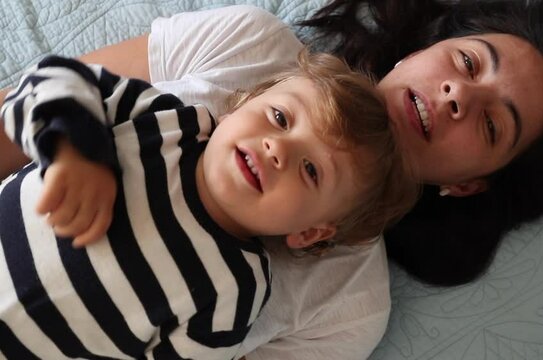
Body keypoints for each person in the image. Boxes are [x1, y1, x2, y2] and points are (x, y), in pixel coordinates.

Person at [1, 0, 543, 359]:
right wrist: (73, 151)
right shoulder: (244, 53)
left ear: (470, 184)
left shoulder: (346, 313)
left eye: (493, 124)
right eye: (468, 63)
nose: (454, 96)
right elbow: (33, 101)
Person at [0, 51, 415, 359]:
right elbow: (52, 76)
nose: (278, 149)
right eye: (280, 118)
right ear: (240, 104)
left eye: (311, 170)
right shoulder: (163, 122)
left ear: (308, 233)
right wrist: (75, 146)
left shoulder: (233, 295)